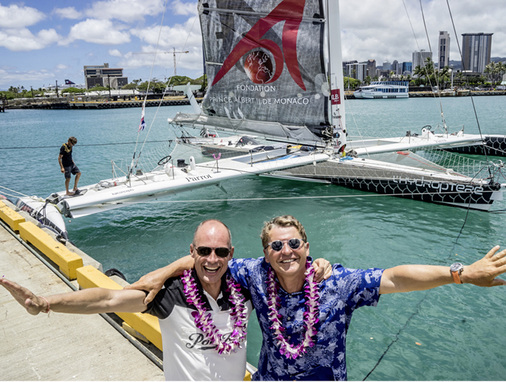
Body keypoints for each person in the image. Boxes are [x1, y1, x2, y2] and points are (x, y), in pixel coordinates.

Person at [129, 215, 506, 380]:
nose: (286, 251)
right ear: (266, 253)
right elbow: (208, 256)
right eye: (277, 245)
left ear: (306, 248)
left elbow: (394, 277)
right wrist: (163, 273)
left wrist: (461, 274)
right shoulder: (255, 274)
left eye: (294, 243)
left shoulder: (337, 283)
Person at [1, 219, 330, 381]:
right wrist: (46, 302)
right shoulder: (170, 294)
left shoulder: (245, 288)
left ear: (231, 254)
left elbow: (287, 269)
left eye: (219, 252)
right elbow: (107, 299)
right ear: (192, 252)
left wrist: (320, 265)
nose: (211, 259)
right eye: (203, 251)